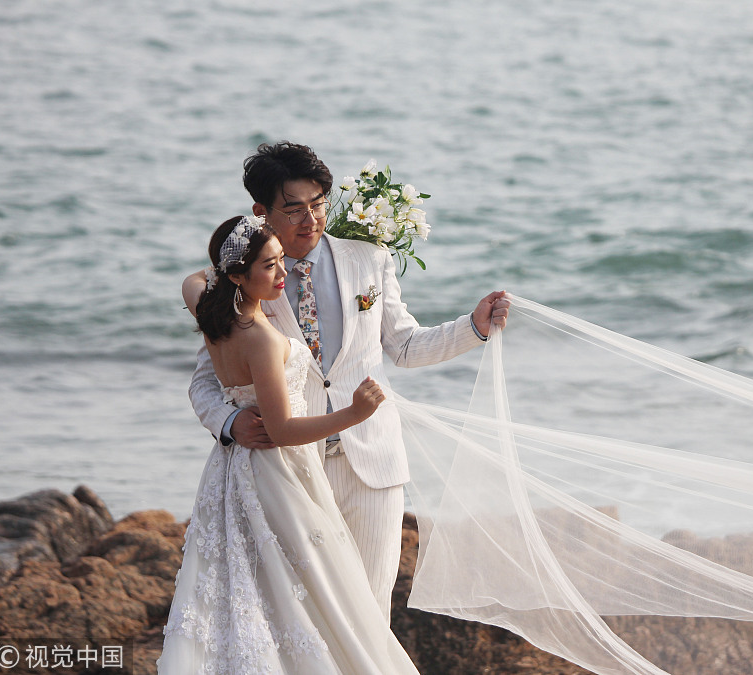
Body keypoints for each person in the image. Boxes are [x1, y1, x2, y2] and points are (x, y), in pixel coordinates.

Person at [189, 141, 511, 619]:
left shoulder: (369, 259)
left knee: (370, 614)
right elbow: (205, 380)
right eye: (293, 209)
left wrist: (474, 328)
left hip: (373, 465)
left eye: (318, 204)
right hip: (291, 470)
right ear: (261, 213)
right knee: (303, 619)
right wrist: (230, 423)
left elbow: (404, 345)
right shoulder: (244, 283)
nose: (311, 220)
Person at [160, 216, 420, 673]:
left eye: (282, 260)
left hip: (231, 470)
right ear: (236, 276)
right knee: (315, 593)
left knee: (255, 593)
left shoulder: (209, 311)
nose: (284, 273)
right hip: (278, 473)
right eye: (269, 266)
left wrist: (243, 251)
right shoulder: (259, 338)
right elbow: (280, 430)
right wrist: (353, 414)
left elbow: (192, 280)